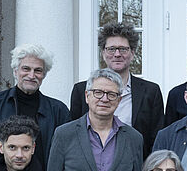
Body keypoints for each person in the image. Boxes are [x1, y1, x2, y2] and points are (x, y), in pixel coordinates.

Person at [0, 44, 70, 171]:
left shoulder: (58, 110)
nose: (31, 75)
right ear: (15, 71)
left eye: (38, 70)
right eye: (26, 69)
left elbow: (68, 156)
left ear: (44, 75)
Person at [69, 22, 163, 160]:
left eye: (123, 49)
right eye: (111, 49)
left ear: (132, 53)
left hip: (134, 166)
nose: (117, 54)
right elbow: (75, 134)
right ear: (103, 53)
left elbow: (155, 138)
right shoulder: (81, 90)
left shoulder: (151, 91)